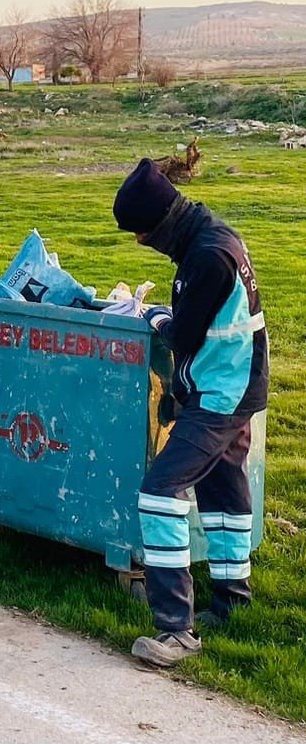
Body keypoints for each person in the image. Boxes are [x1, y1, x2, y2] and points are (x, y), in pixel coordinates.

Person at [112, 158, 268, 668]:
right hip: (234, 386)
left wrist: (154, 315)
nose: (140, 243)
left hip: (221, 394)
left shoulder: (206, 257)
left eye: (140, 234)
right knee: (222, 492)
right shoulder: (212, 237)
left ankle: (177, 629)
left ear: (160, 223)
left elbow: (184, 333)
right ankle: (232, 601)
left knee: (159, 492)